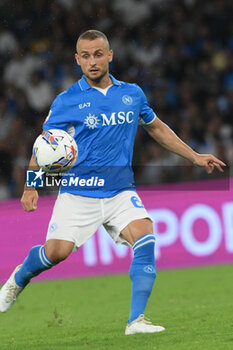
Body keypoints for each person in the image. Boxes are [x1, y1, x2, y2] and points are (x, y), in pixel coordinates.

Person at [0, 30, 226, 335]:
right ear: (77, 60)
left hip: (121, 190)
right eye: (85, 56)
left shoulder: (132, 94)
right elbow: (46, 145)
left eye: (98, 54)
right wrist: (31, 186)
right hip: (79, 193)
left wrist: (195, 156)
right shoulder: (68, 100)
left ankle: (136, 321)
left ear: (110, 55)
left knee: (145, 235)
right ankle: (18, 278)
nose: (92, 61)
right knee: (56, 253)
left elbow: (156, 128)